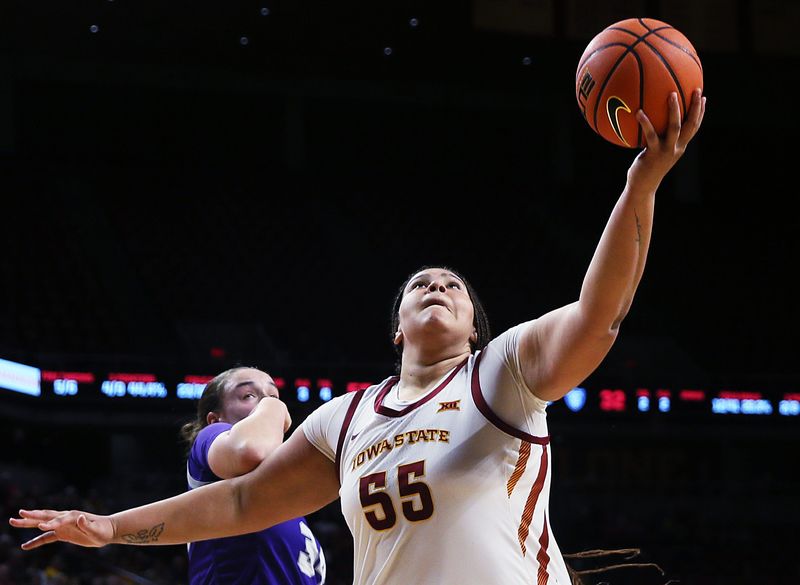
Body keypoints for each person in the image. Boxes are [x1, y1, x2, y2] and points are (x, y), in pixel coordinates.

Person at [10, 89, 705, 585]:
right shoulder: (345, 419)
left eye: (454, 287)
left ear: (474, 327)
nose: (437, 285)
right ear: (396, 324)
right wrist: (109, 526)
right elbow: (242, 500)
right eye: (421, 285)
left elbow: (600, 312)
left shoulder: (503, 374)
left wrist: (640, 185)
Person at [181, 366, 326, 584]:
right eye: (248, 395)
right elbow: (249, 450)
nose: (269, 404)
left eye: (274, 397)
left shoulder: (290, 504)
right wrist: (272, 407)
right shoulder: (210, 437)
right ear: (215, 419)